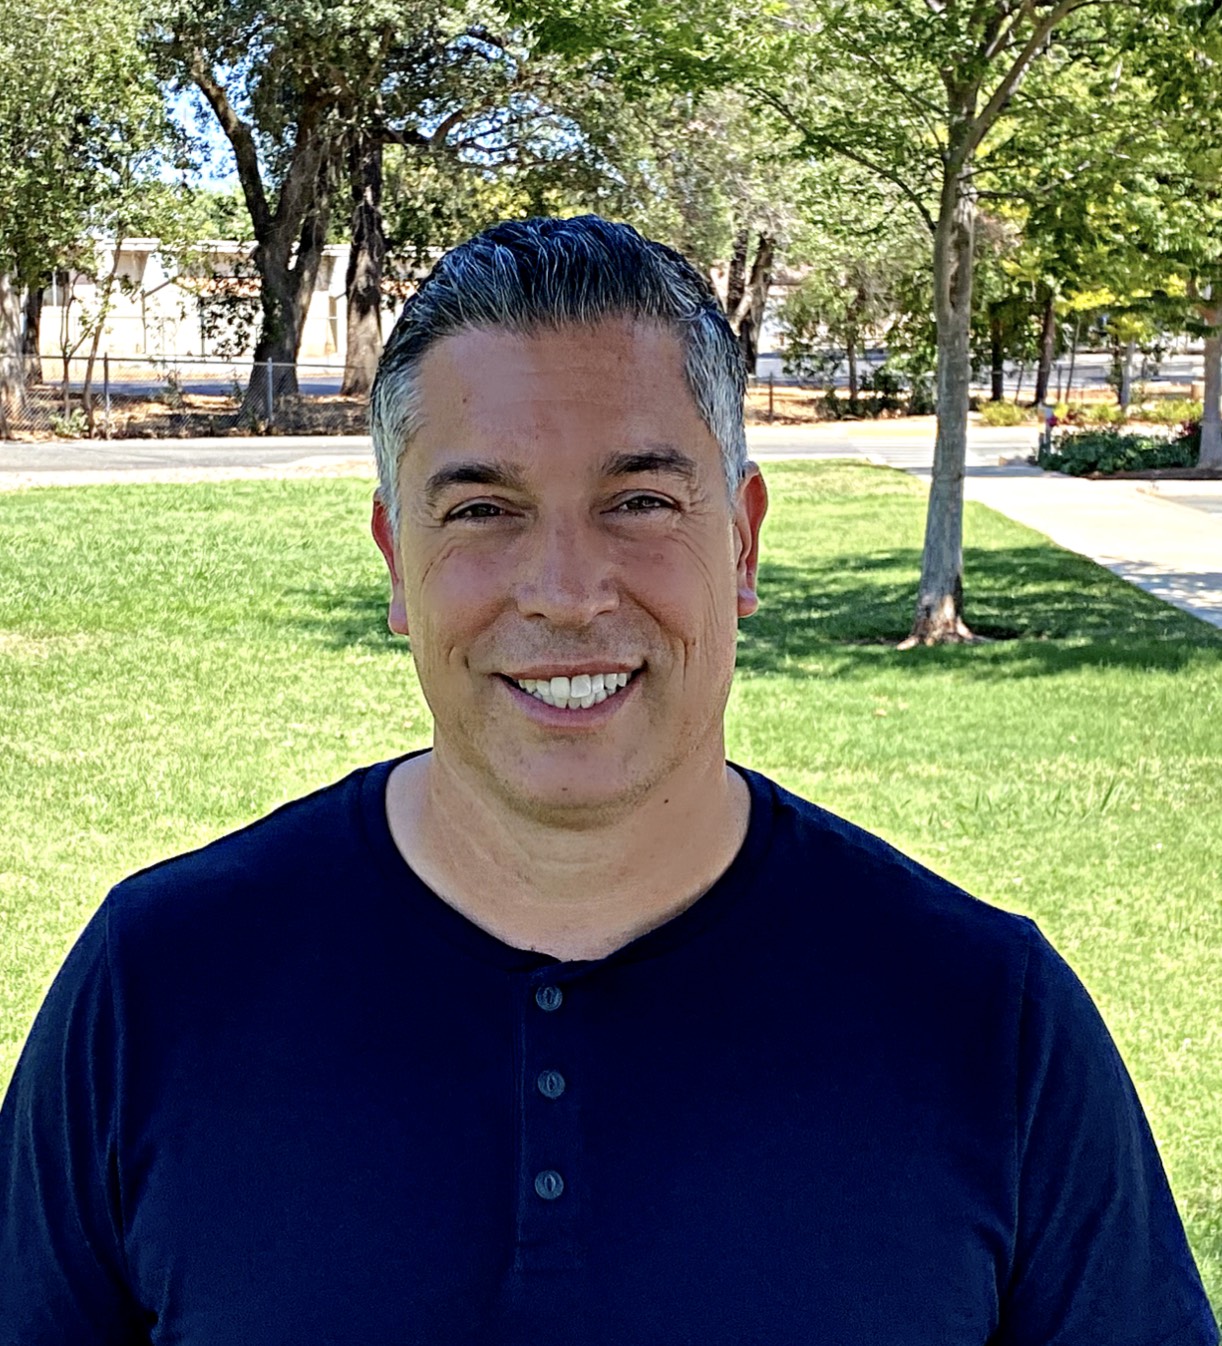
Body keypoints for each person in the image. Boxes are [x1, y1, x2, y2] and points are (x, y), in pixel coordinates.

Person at [0, 215, 1215, 1346]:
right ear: (397, 561)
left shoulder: (988, 1020)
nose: (567, 591)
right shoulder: (158, 986)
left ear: (740, 540)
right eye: (482, 509)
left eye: (638, 500)